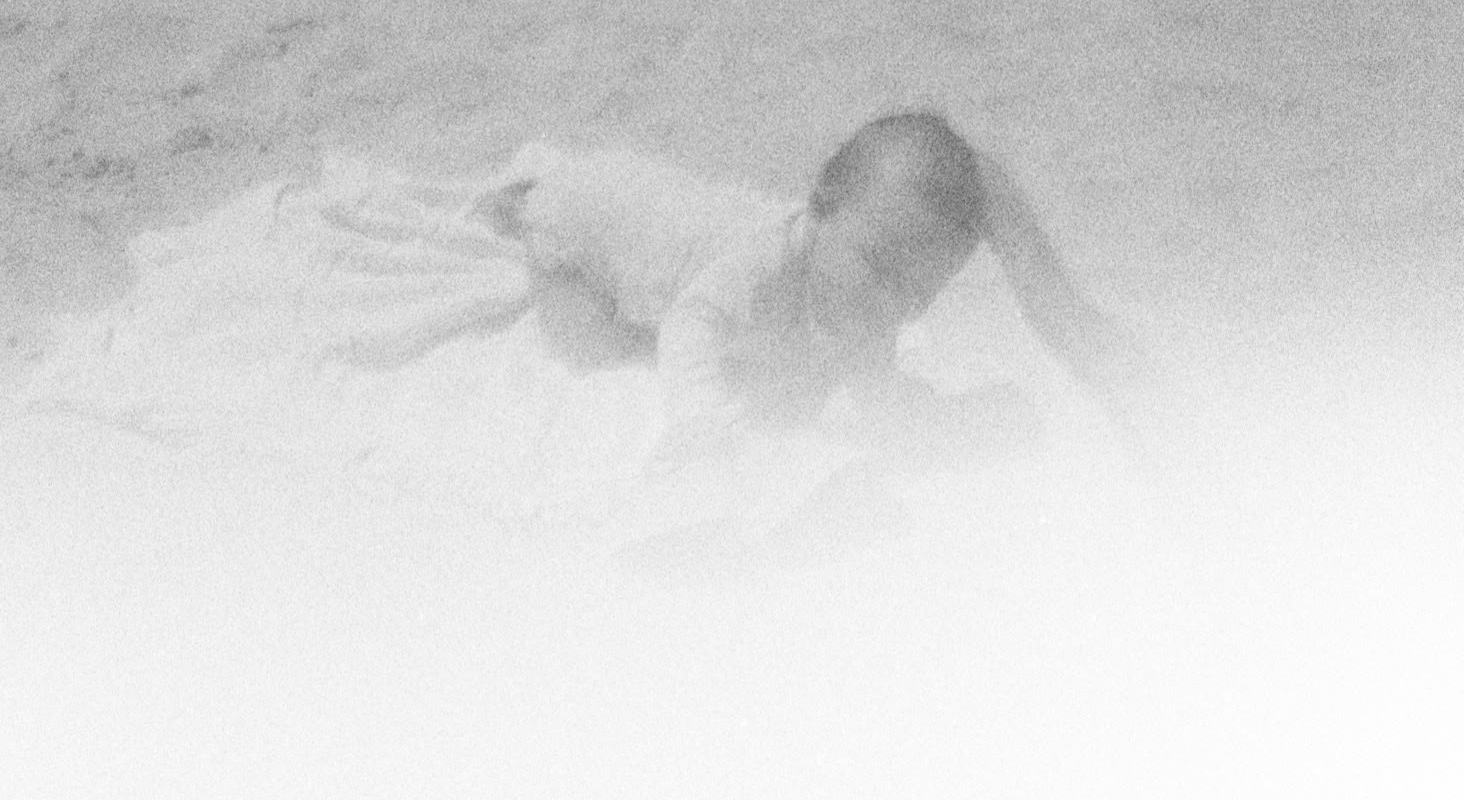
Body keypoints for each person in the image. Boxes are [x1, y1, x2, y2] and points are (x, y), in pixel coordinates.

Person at [478, 111, 1156, 468]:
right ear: (823, 206)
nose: (892, 302)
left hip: (640, 214)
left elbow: (874, 391)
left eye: (917, 291)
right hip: (583, 224)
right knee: (594, 349)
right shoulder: (764, 260)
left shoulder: (861, 286)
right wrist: (703, 420)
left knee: (786, 373)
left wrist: (938, 421)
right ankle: (527, 200)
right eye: (880, 269)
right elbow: (691, 322)